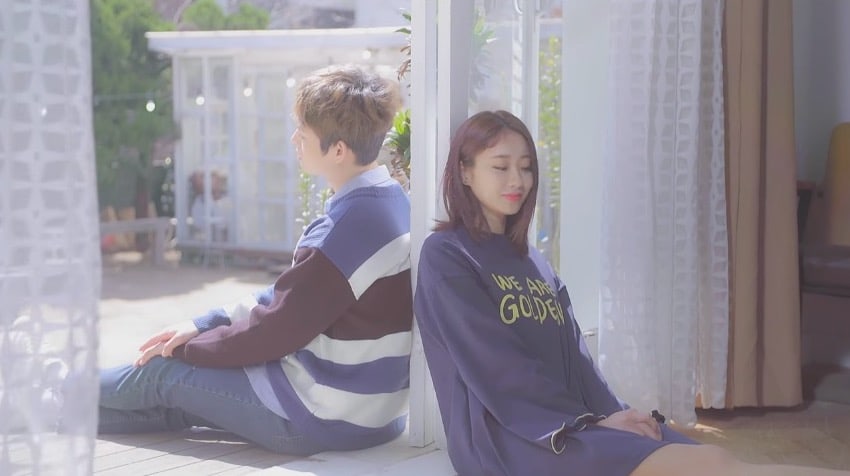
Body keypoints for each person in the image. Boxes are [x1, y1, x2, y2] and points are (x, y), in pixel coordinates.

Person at [413, 110, 850, 476]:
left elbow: (577, 362)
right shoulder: (447, 255)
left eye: (526, 166)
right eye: (500, 166)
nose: (518, 179)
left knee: (711, 458)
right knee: (714, 466)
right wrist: (591, 424)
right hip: (513, 440)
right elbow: (498, 369)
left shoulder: (535, 263)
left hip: (573, 426)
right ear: (465, 172)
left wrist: (617, 415)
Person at [98, 65, 413, 456]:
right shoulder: (393, 201)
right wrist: (203, 324)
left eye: (303, 132)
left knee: (162, 373)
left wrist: (186, 349)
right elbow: (292, 298)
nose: (294, 139)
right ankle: (56, 408)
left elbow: (273, 331)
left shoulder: (345, 229)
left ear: (337, 151)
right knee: (178, 400)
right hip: (371, 415)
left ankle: (63, 388)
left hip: (319, 418)